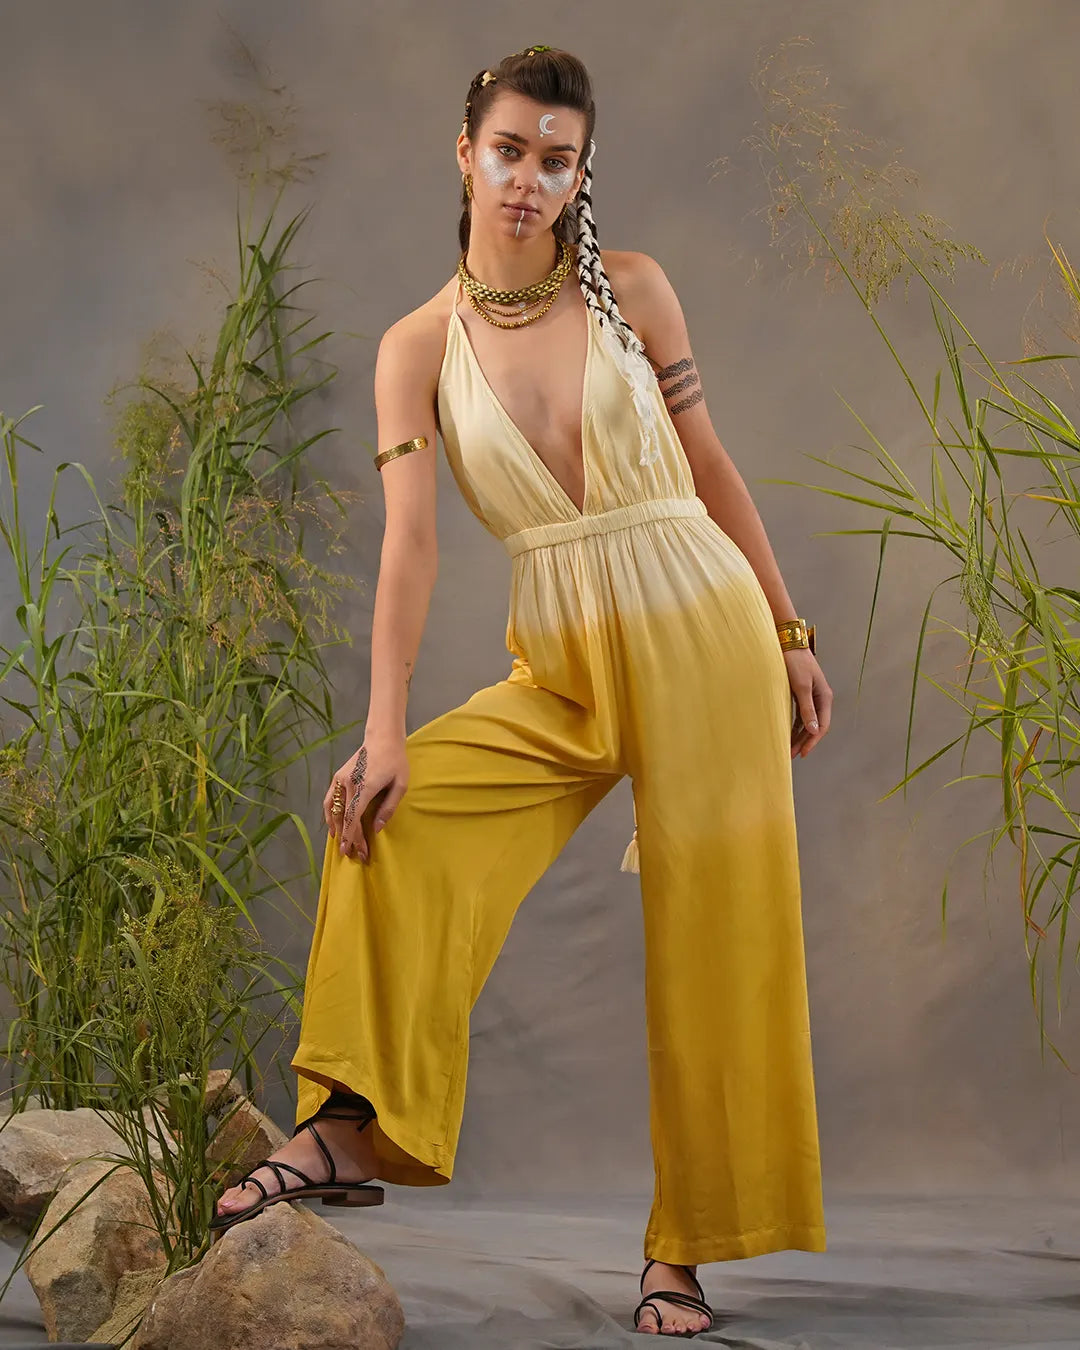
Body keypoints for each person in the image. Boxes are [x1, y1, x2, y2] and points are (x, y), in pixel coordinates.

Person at [211, 44, 832, 1339]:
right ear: (465, 152)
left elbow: (708, 462)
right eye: (509, 151)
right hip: (561, 658)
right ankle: (352, 1125)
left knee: (716, 941)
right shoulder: (415, 349)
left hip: (705, 631)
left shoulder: (633, 291)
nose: (528, 180)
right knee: (398, 819)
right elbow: (411, 548)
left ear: (579, 174)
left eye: (557, 160)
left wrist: (787, 629)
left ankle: (682, 1253)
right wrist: (383, 731)